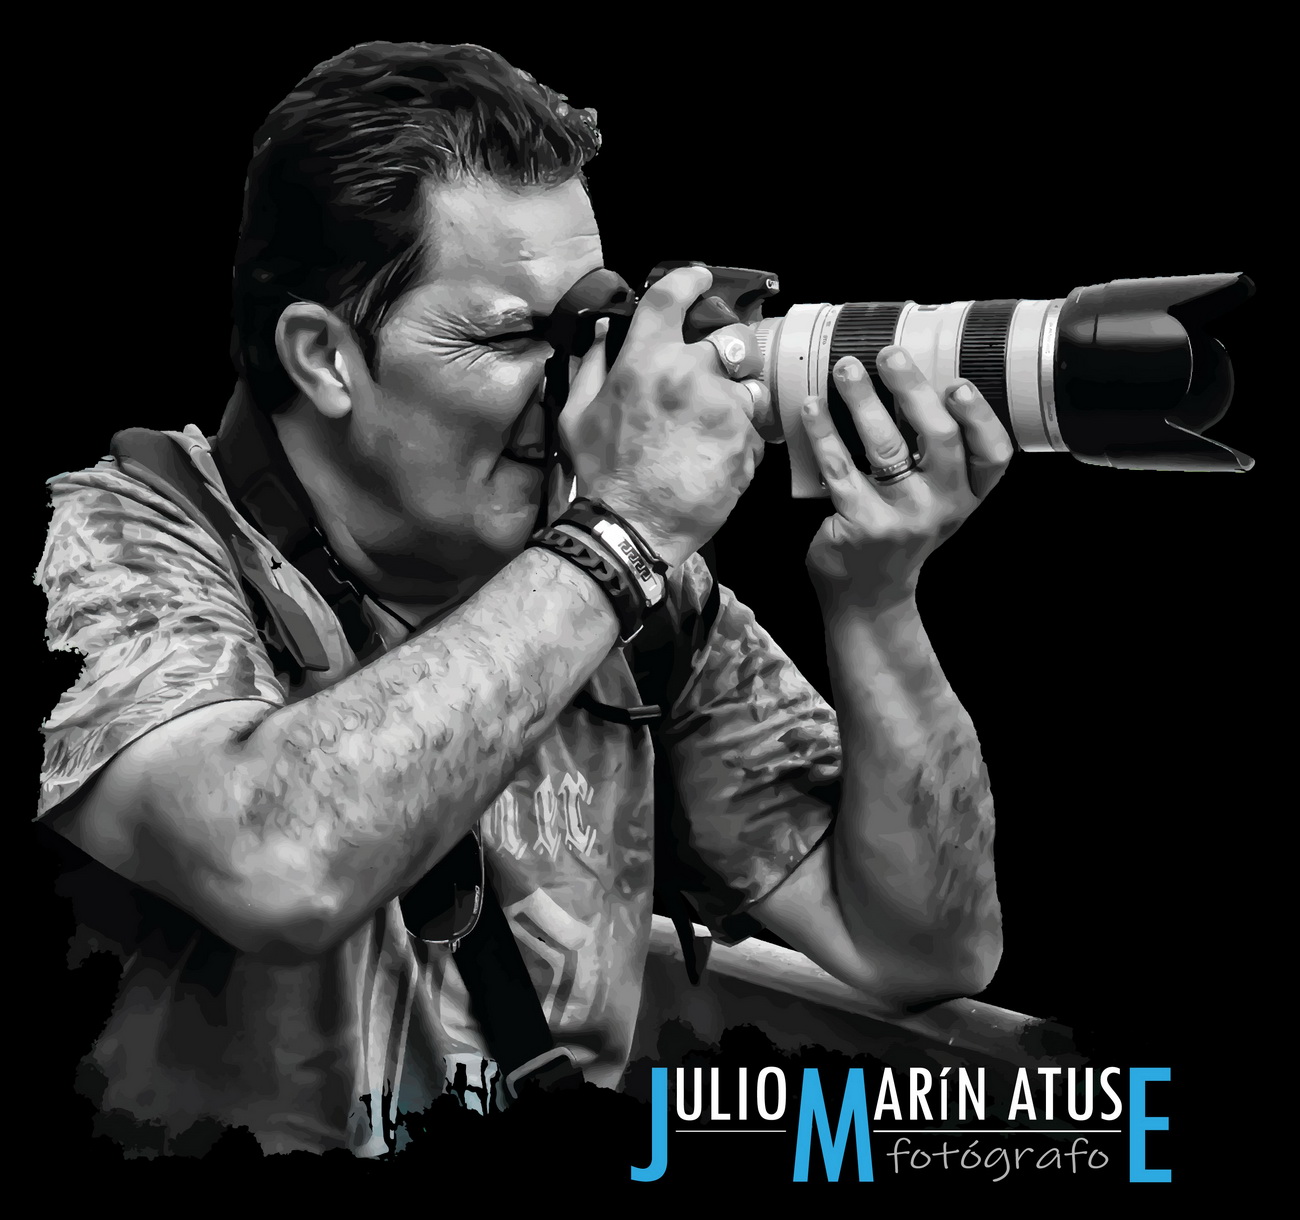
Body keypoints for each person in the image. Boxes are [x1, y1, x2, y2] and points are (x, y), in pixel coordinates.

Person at [35, 40, 1009, 1158]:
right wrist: (624, 528)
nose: (575, 380)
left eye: (589, 325)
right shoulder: (103, 546)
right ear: (323, 357)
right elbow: (276, 866)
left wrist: (874, 598)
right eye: (509, 335)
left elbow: (925, 945)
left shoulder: (628, 585)